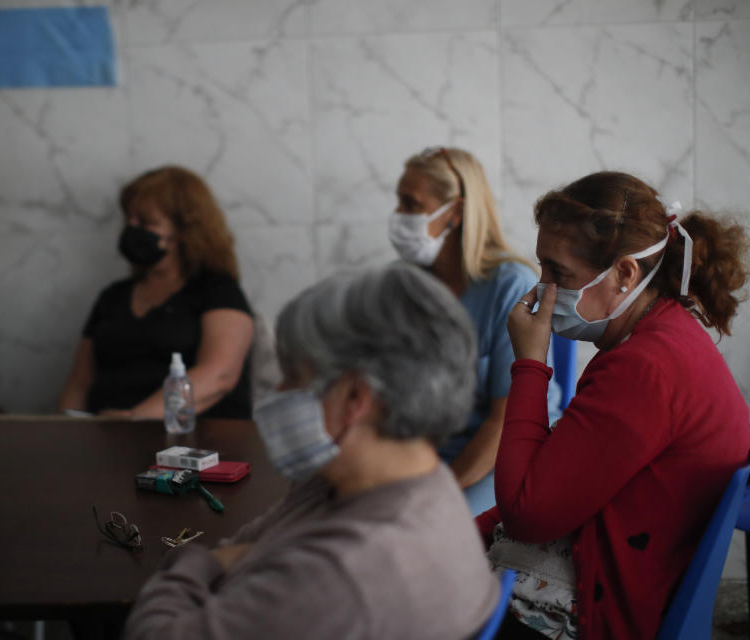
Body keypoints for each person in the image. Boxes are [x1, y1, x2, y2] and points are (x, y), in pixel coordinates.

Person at [122, 262, 500, 640]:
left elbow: (151, 633)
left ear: (355, 397)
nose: (277, 391)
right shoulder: (395, 482)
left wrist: (196, 560)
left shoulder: (345, 572)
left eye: (294, 376)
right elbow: (246, 543)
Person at [478, 171, 750, 639]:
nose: (541, 289)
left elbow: (527, 511)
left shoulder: (646, 368)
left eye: (557, 272)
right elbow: (559, 479)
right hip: (600, 569)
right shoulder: (659, 337)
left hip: (593, 612)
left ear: (624, 274)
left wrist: (529, 364)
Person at [388, 146, 562, 515]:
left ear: (456, 213)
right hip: (434, 454)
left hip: (504, 455)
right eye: (399, 203)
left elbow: (503, 423)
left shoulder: (510, 286)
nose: (398, 216)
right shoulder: (407, 286)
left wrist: (434, 494)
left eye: (410, 203)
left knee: (427, 530)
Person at [59, 166, 254, 420]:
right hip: (105, 440)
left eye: (145, 222)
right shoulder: (113, 296)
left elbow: (220, 375)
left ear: (184, 231)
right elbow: (79, 383)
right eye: (129, 220)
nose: (131, 229)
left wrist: (135, 417)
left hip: (191, 446)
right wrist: (68, 426)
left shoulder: (219, 291)